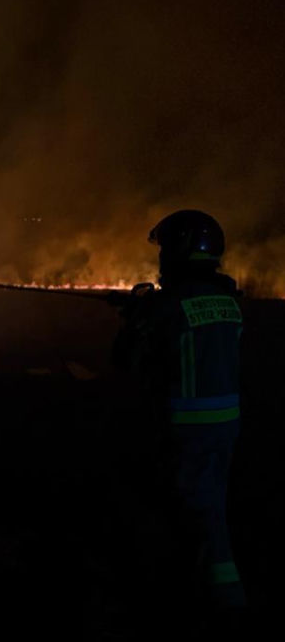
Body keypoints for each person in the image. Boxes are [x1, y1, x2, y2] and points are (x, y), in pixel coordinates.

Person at [113, 209, 246, 613]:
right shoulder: (229, 302)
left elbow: (126, 361)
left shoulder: (166, 306)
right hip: (226, 427)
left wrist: (135, 316)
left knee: (185, 518)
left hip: (185, 430)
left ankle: (207, 608)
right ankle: (213, 598)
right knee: (212, 511)